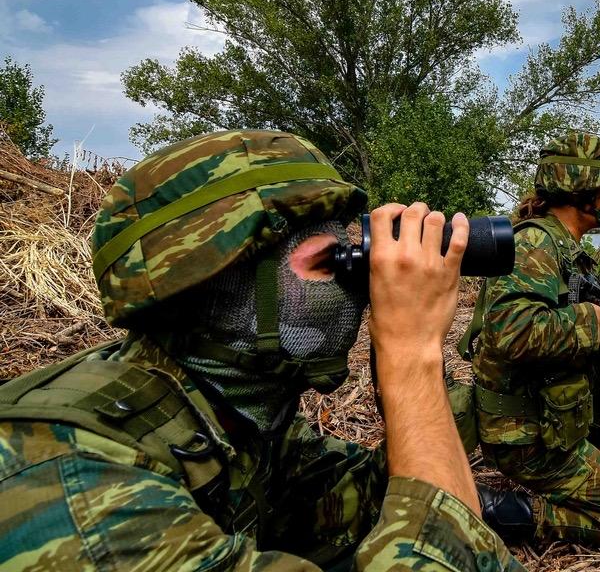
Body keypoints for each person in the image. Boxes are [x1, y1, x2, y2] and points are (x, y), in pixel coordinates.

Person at [0, 130, 524, 572]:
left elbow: (406, 504)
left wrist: (405, 377)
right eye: (329, 263)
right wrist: (412, 355)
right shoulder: (87, 486)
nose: (359, 287)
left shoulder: (231, 419)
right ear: (222, 286)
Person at [460, 132, 600, 546]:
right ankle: (498, 511)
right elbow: (511, 330)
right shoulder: (535, 244)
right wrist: (593, 321)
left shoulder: (561, 247)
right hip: (524, 436)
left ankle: (577, 463)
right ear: (580, 192)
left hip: (545, 423)